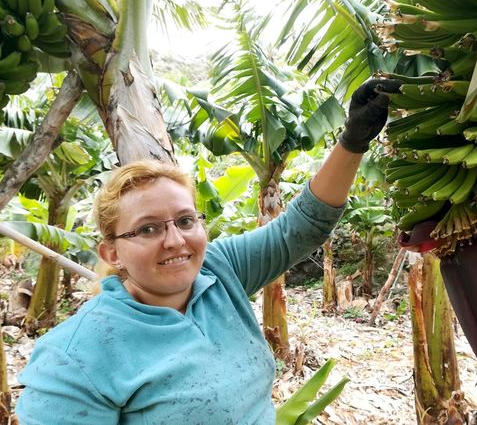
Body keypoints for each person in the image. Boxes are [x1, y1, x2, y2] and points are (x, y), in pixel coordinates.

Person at [16, 78, 402, 424]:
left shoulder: (218, 270)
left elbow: (301, 229)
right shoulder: (75, 357)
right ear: (112, 253)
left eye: (185, 221)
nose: (175, 240)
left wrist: (353, 140)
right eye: (148, 228)